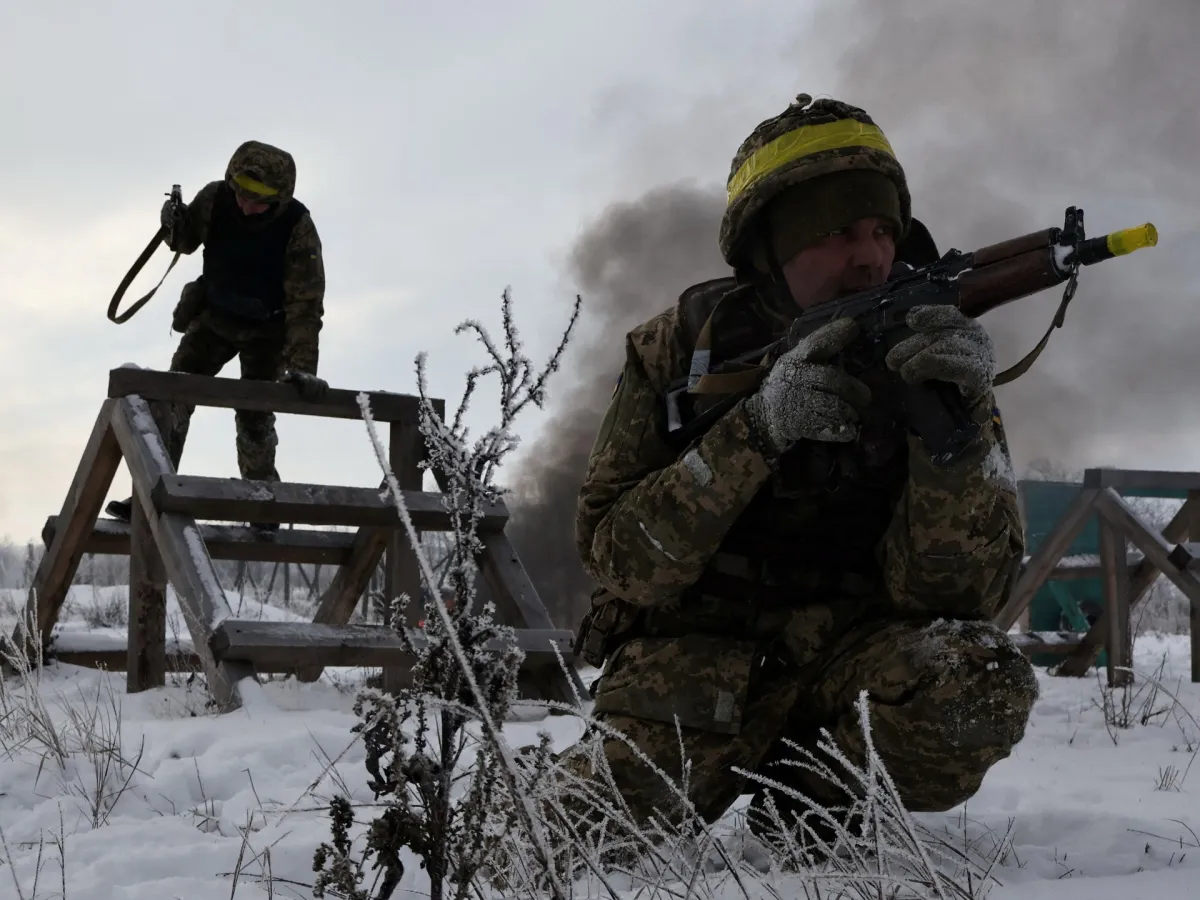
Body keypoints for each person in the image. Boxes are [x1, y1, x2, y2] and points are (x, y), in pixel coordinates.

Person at [562, 94, 1040, 848]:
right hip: (692, 679)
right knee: (557, 845)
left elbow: (961, 600)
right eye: (839, 231)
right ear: (770, 247)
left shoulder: (930, 351)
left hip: (849, 667)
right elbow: (618, 559)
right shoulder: (677, 351)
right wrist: (756, 431)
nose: (870, 256)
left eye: (883, 230)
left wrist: (961, 428)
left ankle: (812, 802)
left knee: (981, 677)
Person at [106, 140, 328, 535]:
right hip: (215, 318)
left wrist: (303, 367)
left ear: (278, 198)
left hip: (268, 332)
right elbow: (185, 240)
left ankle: (263, 504)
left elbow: (305, 306)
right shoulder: (215, 198)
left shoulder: (298, 227)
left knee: (255, 415)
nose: (245, 205)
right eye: (241, 193)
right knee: (174, 397)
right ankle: (151, 489)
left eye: (257, 200)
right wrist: (174, 222)